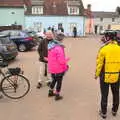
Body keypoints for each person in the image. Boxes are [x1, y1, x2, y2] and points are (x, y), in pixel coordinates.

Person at [95, 33, 120, 119]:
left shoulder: (103, 49)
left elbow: (99, 64)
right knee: (116, 93)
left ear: (107, 38)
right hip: (117, 75)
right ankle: (114, 110)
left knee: (104, 94)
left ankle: (104, 112)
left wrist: (96, 74)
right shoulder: (119, 48)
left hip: (105, 76)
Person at [46, 32, 70, 100]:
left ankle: (50, 92)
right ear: (61, 39)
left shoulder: (51, 46)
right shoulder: (58, 48)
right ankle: (57, 95)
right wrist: (67, 60)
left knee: (54, 80)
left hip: (52, 68)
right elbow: (61, 61)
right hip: (58, 69)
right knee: (59, 82)